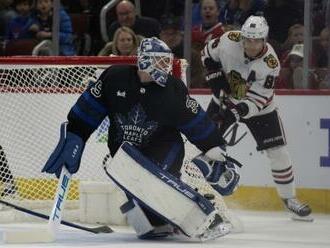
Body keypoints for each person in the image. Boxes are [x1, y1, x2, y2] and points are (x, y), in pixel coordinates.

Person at [41, 37, 241, 241]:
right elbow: (90, 108)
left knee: (154, 184)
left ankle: (205, 212)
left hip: (164, 147)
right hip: (124, 152)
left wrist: (213, 144)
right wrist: (77, 133)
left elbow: (194, 119)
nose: (166, 66)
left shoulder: (172, 89)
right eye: (160, 61)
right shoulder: (114, 77)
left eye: (167, 61)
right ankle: (160, 218)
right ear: (144, 60)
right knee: (148, 222)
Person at [201, 15, 312, 221]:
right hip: (224, 100)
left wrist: (238, 110)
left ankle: (290, 200)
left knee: (278, 152)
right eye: (248, 39)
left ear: (264, 39)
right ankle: (198, 193)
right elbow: (207, 54)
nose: (251, 45)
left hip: (260, 110)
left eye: (256, 40)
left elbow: (260, 98)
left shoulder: (270, 63)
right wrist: (216, 81)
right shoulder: (228, 39)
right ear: (242, 36)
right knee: (206, 147)